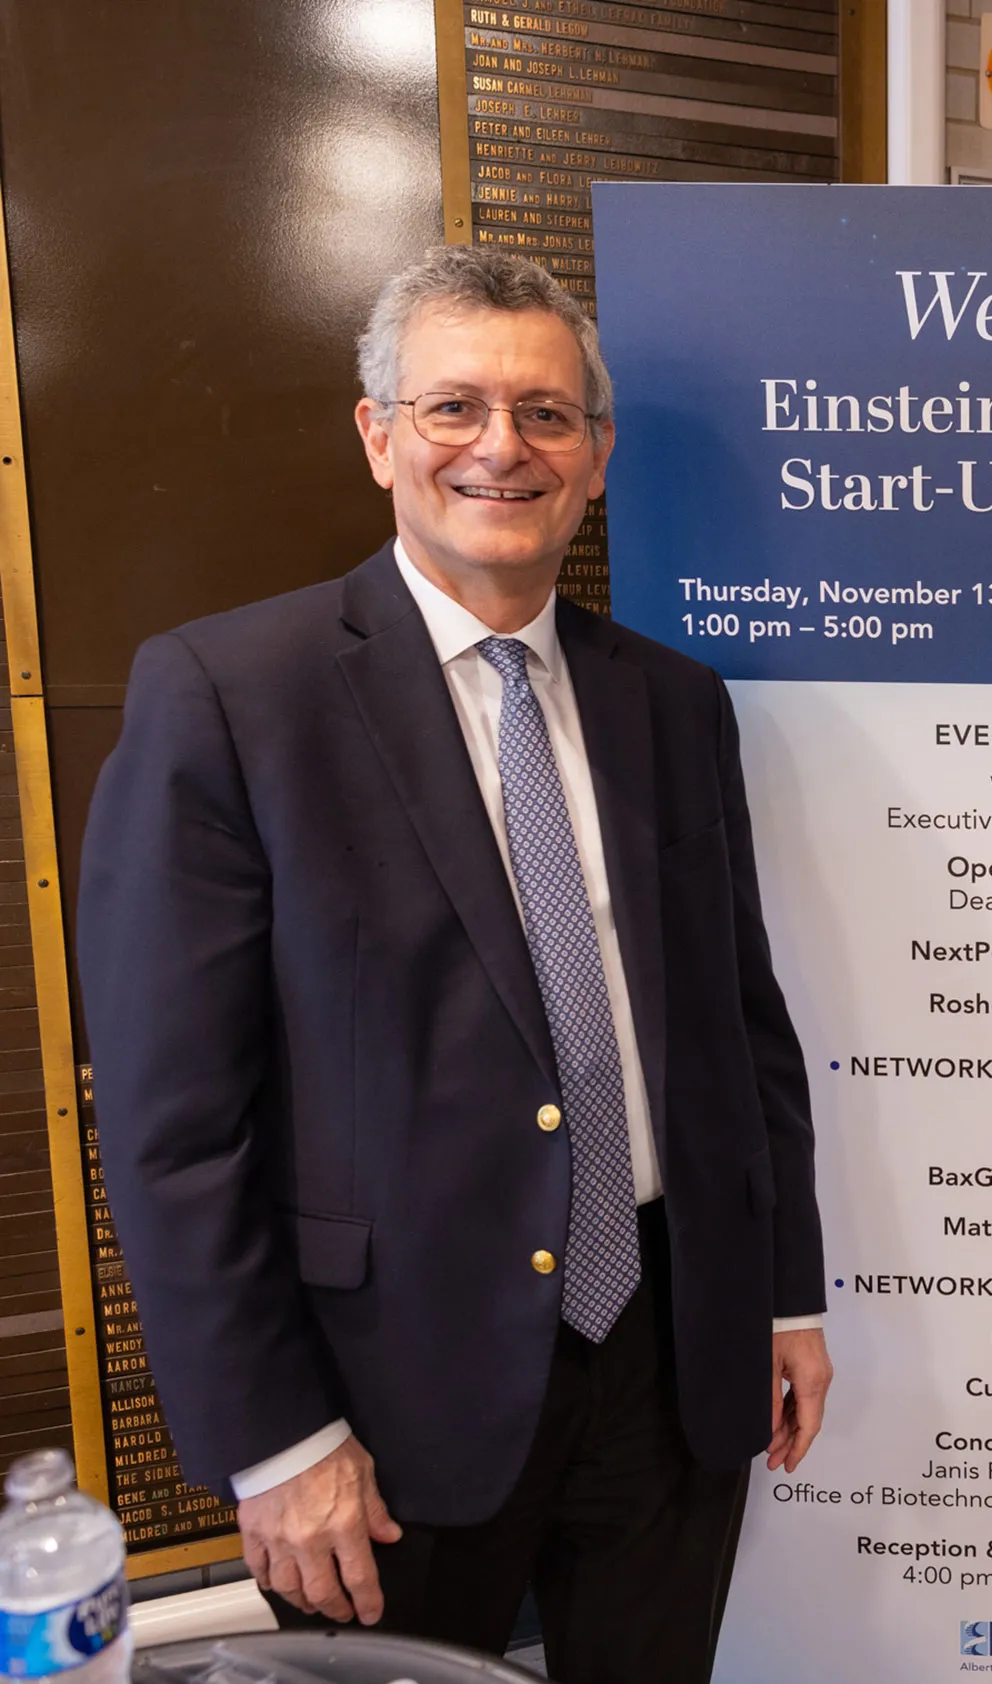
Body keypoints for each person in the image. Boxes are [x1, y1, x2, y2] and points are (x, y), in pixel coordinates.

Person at [76, 246, 832, 1683]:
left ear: (596, 457)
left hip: (674, 1359)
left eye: (547, 415)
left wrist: (783, 1295)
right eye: (454, 408)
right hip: (383, 1405)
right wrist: (276, 1443)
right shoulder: (233, 696)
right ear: (378, 436)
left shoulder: (673, 703)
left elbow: (743, 1029)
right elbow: (174, 1127)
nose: (503, 446)